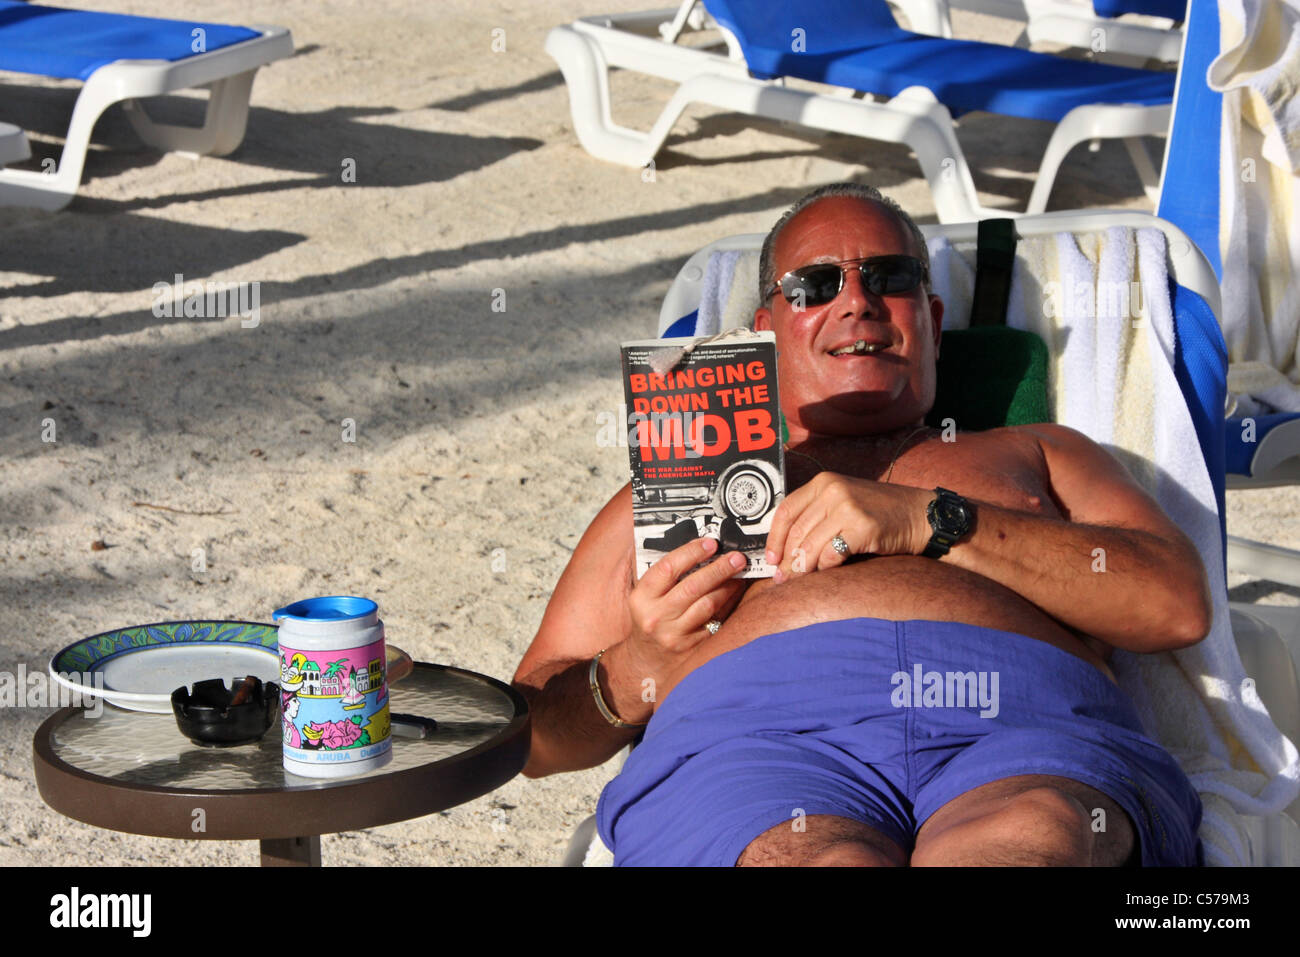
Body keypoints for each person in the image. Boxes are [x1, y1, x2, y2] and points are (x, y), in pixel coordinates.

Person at [512, 183, 1210, 866]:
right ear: (766, 333)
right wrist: (637, 666)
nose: (856, 301)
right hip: (758, 745)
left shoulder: (1040, 452)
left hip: (1025, 733)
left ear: (933, 323)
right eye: (814, 284)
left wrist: (930, 521)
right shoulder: (681, 486)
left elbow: (1176, 603)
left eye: (889, 276)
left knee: (1034, 835)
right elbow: (530, 737)